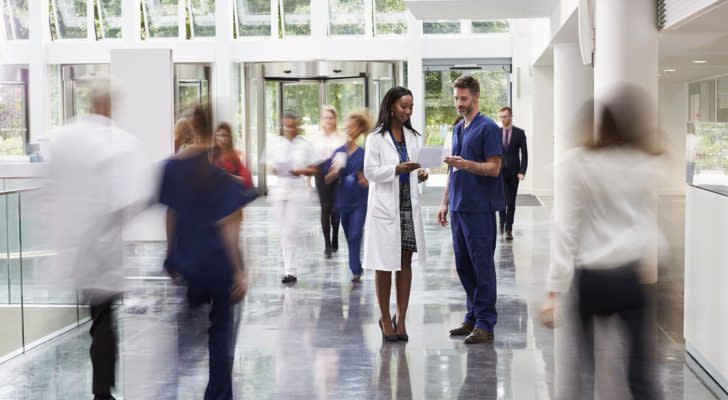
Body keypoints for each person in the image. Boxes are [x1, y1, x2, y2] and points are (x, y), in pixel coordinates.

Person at [540, 86, 662, 399]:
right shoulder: (643, 163)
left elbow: (565, 227)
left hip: (593, 279)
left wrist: (555, 289)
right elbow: (648, 223)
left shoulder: (577, 163)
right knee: (641, 377)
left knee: (583, 373)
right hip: (631, 277)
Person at [49, 78, 150, 400]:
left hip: (76, 245)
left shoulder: (64, 137)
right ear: (109, 105)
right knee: (104, 319)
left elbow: (53, 188)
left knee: (96, 316)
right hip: (104, 247)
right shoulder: (123, 142)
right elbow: (135, 198)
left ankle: (101, 389)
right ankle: (102, 391)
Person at [159, 105, 254, 400]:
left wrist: (171, 254)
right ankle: (218, 394)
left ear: (188, 128)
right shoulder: (221, 178)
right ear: (213, 129)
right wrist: (239, 269)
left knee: (184, 337)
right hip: (218, 264)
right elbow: (230, 224)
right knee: (221, 332)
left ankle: (168, 390)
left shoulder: (170, 168)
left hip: (188, 260)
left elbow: (171, 215)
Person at [438, 75, 504, 344]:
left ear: (476, 97)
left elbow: (494, 167)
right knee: (464, 266)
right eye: (456, 98)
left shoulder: (487, 128)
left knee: (481, 266)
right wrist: (444, 202)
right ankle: (473, 316)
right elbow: (452, 169)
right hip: (458, 206)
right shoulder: (457, 129)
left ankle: (486, 323)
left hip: (479, 208)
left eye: (464, 99)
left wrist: (467, 164)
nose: (459, 103)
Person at [363, 86, 428, 342]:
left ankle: (401, 320)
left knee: (404, 263)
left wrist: (420, 174)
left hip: (407, 209)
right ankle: (383, 317)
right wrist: (396, 169)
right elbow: (369, 172)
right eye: (404, 106)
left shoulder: (413, 136)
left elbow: (415, 171)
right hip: (385, 209)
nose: (408, 111)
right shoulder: (375, 138)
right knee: (383, 265)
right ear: (391, 106)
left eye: (411, 107)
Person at [268, 111, 319, 284]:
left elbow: (314, 169)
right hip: (280, 190)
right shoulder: (275, 144)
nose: (289, 128)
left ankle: (291, 270)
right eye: (285, 125)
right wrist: (275, 168)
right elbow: (269, 165)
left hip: (296, 192)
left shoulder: (304, 145)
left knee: (290, 229)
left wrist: (300, 170)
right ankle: (287, 266)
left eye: (292, 125)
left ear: (297, 125)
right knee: (284, 231)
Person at [324, 110, 372, 283]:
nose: (349, 129)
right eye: (347, 127)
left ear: (359, 129)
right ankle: (356, 266)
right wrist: (335, 172)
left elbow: (372, 177)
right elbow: (327, 178)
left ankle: (356, 269)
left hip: (360, 199)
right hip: (343, 200)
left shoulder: (365, 153)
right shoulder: (339, 151)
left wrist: (367, 180)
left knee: (355, 234)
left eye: (352, 127)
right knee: (349, 234)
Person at [314, 106, 346, 258]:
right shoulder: (317, 139)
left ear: (335, 120)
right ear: (321, 120)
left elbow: (344, 156)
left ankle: (335, 238)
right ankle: (327, 244)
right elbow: (312, 161)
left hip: (337, 174)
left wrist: (336, 171)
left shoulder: (340, 137)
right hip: (321, 175)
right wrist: (307, 182)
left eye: (331, 117)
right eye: (325, 117)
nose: (328, 120)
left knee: (335, 209)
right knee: (325, 208)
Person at [497, 106, 528, 240]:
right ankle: (501, 226)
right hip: (499, 172)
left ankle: (509, 229)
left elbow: (525, 155)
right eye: (501, 117)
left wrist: (522, 171)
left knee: (511, 202)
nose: (503, 119)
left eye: (505, 116)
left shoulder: (519, 133)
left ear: (511, 116)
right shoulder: (496, 132)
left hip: (514, 173)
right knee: (501, 201)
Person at [210, 122, 253, 188]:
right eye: (219, 135)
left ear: (230, 138)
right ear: (215, 137)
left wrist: (229, 176)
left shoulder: (234, 156)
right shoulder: (210, 155)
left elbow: (247, 180)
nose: (222, 139)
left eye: (225, 135)